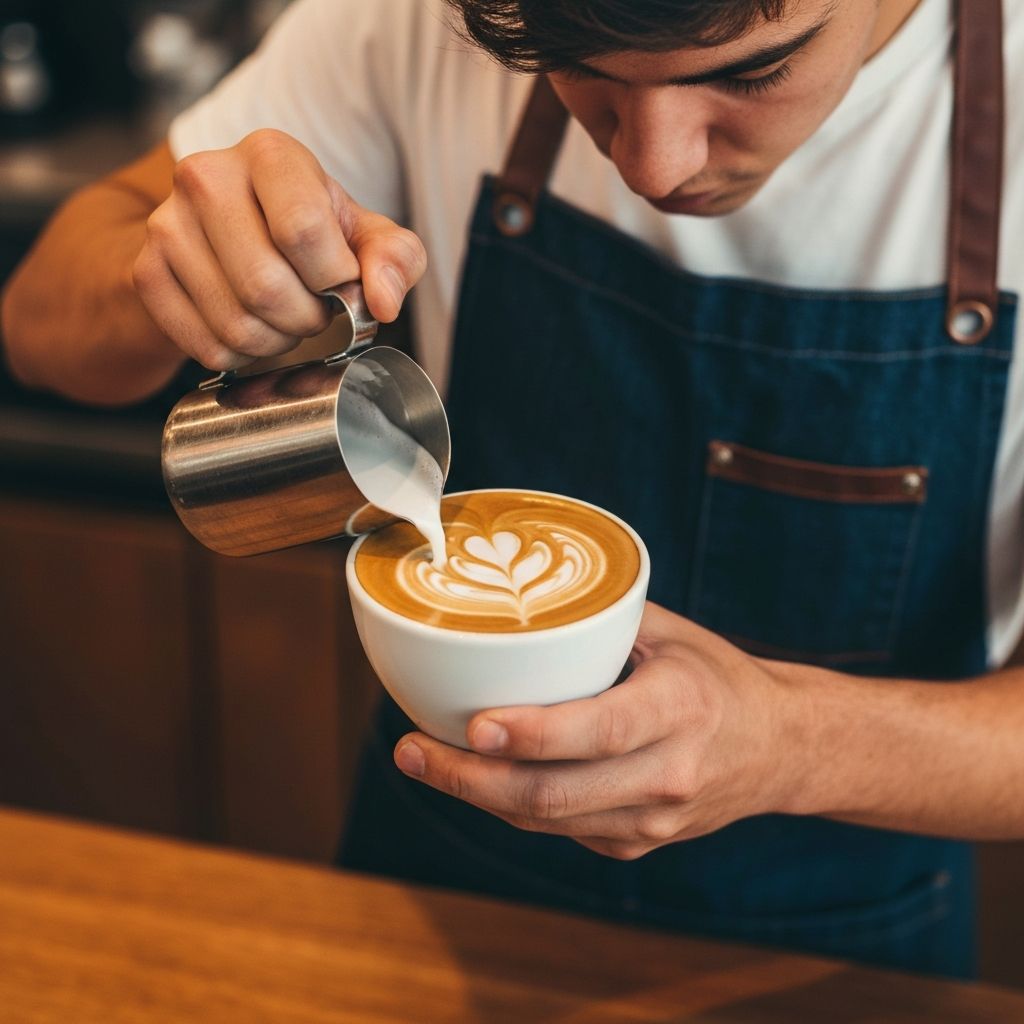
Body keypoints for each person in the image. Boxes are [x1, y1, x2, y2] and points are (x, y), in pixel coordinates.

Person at [4, 0, 1023, 979]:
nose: (648, 164)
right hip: (439, 884)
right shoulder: (409, 25)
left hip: (841, 952)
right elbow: (36, 328)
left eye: (752, 69)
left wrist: (792, 745)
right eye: (578, 70)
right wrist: (184, 272)